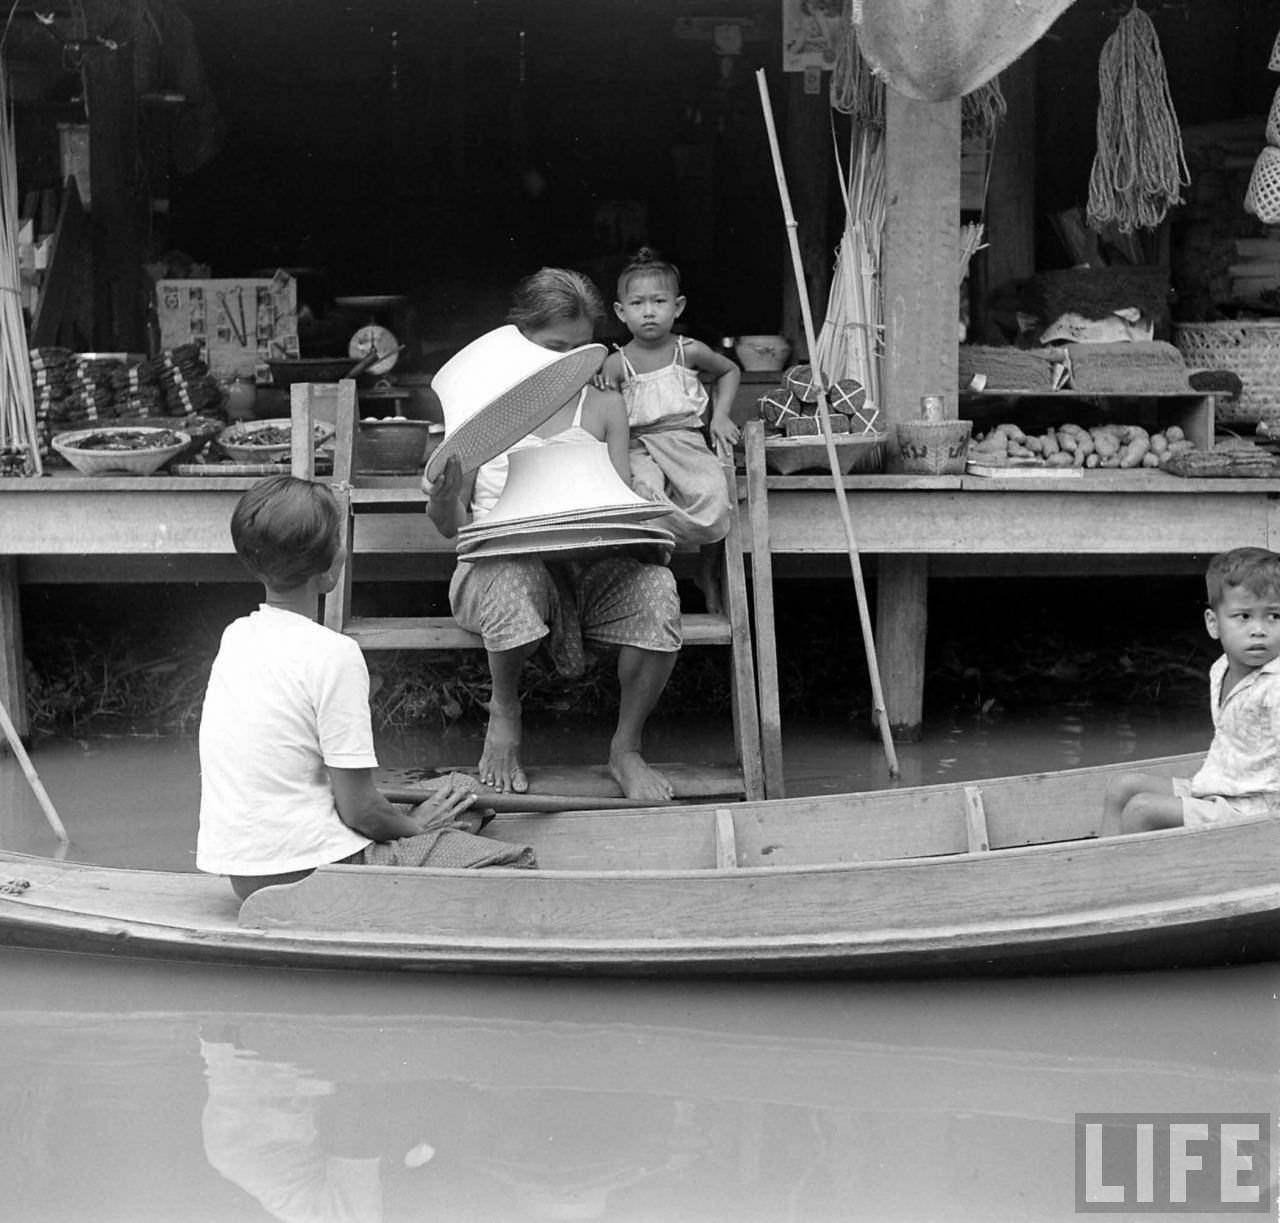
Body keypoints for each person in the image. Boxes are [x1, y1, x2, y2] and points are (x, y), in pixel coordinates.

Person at [197, 474, 534, 901]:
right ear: (332, 564)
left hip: (246, 877)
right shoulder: (334, 654)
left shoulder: (236, 635)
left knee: (460, 795)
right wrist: (416, 826)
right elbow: (359, 810)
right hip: (308, 874)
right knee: (518, 864)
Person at [425, 267, 682, 802]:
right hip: (495, 574)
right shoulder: (485, 410)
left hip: (584, 570)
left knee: (658, 590)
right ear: (520, 336)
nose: (567, 359)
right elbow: (454, 529)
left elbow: (615, 503)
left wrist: (644, 521)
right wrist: (444, 498)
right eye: (553, 346)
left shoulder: (605, 404)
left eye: (580, 348)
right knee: (512, 572)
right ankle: (505, 712)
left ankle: (626, 749)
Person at [596, 247, 741, 613]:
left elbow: (729, 371)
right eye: (637, 303)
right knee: (642, 495)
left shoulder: (688, 351)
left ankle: (705, 571)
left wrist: (721, 416)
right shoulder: (616, 364)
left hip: (686, 440)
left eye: (659, 301)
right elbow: (600, 413)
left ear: (677, 307)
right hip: (638, 447)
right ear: (620, 312)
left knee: (713, 494)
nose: (648, 311)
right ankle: (654, 577)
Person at [1100, 546, 1280, 836]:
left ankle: (1133, 879)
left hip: (1256, 809)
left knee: (1142, 810)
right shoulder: (1219, 669)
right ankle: (1098, 870)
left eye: (1274, 616)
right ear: (1213, 623)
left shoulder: (1275, 686)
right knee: (1122, 787)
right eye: (1244, 616)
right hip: (1219, 788)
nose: (1259, 629)